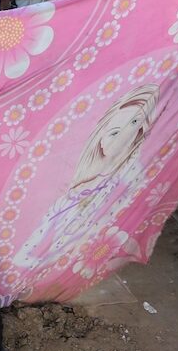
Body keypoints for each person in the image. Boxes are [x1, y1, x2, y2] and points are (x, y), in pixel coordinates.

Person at [12, 84, 160, 280]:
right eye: (115, 133)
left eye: (135, 122)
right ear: (101, 140)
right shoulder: (76, 189)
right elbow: (31, 247)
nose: (127, 134)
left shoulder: (130, 172)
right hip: (59, 239)